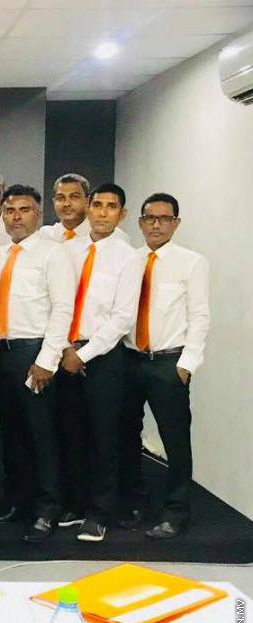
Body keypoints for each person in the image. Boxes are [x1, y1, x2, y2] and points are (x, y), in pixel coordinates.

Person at [118, 193, 210, 539]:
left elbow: (199, 316)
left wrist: (187, 364)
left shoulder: (191, 262)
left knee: (175, 439)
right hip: (129, 359)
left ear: (176, 223)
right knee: (126, 435)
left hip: (169, 363)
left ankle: (176, 511)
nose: (156, 224)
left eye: (164, 218)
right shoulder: (130, 260)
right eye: (150, 218)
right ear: (140, 222)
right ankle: (134, 503)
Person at [57, 183, 142, 542]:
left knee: (104, 436)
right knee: (70, 432)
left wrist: (83, 354)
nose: (102, 212)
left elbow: (122, 318)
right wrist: (65, 349)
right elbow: (57, 302)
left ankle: (100, 511)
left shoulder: (129, 257)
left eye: (111, 206)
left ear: (122, 214)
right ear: (87, 208)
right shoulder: (66, 250)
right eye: (97, 204)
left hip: (103, 356)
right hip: (65, 351)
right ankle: (77, 503)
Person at [0, 185, 74, 542]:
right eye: (10, 210)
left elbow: (63, 309)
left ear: (38, 214)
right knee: (12, 433)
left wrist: (46, 360)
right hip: (1, 351)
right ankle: (19, 501)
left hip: (33, 353)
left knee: (42, 434)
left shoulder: (54, 253)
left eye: (24, 210)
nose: (16, 217)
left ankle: (48, 509)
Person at [41, 173, 130, 243]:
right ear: (53, 202)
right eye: (60, 198)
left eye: (74, 197)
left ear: (88, 201)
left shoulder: (114, 236)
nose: (66, 204)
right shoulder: (45, 235)